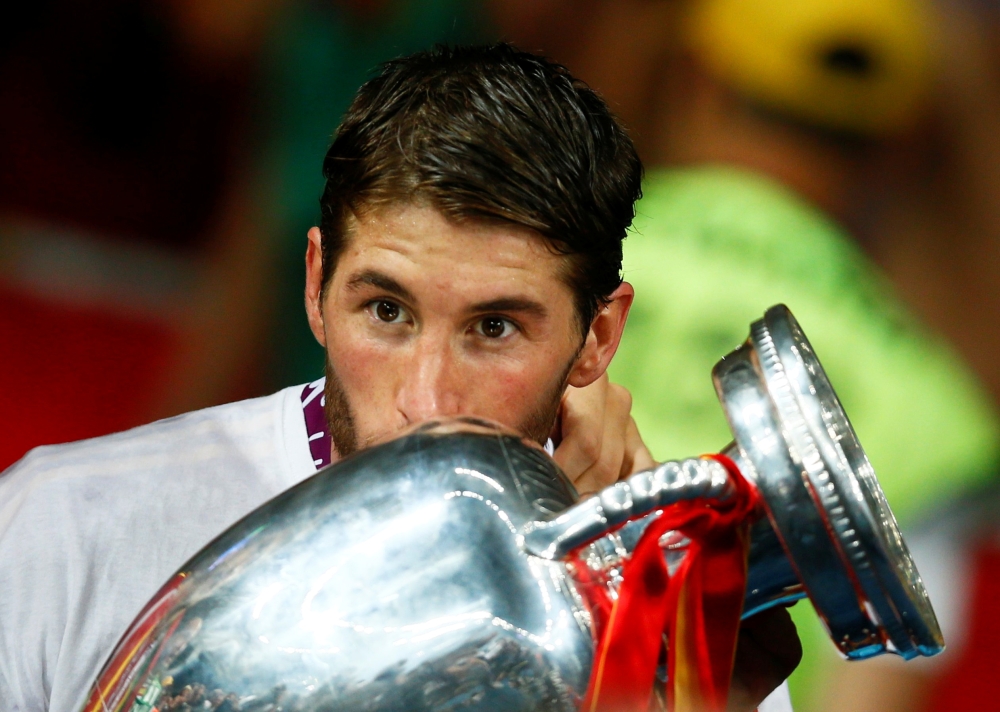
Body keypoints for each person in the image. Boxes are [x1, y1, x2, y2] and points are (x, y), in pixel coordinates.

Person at [0, 44, 799, 712]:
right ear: (316, 286)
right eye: (386, 312)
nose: (427, 401)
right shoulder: (63, 533)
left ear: (597, 339)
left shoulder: (679, 643)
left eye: (494, 328)